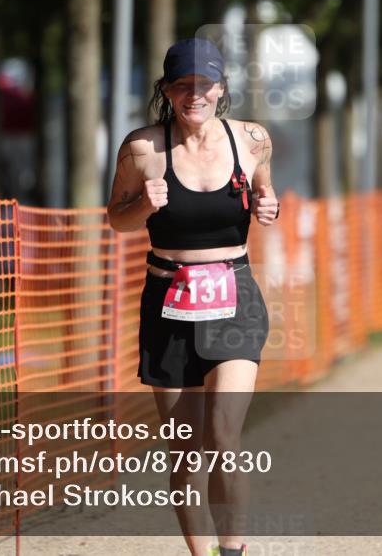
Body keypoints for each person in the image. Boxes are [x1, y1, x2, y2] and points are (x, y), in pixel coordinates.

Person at [106, 38, 278, 556]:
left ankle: (234, 551)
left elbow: (265, 191)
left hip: (234, 296)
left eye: (204, 84)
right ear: (166, 90)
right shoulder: (141, 149)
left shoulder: (252, 140)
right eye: (183, 85)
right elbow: (115, 218)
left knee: (224, 435)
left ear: (221, 89)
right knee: (185, 452)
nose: (194, 95)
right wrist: (142, 206)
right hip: (168, 301)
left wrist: (269, 206)